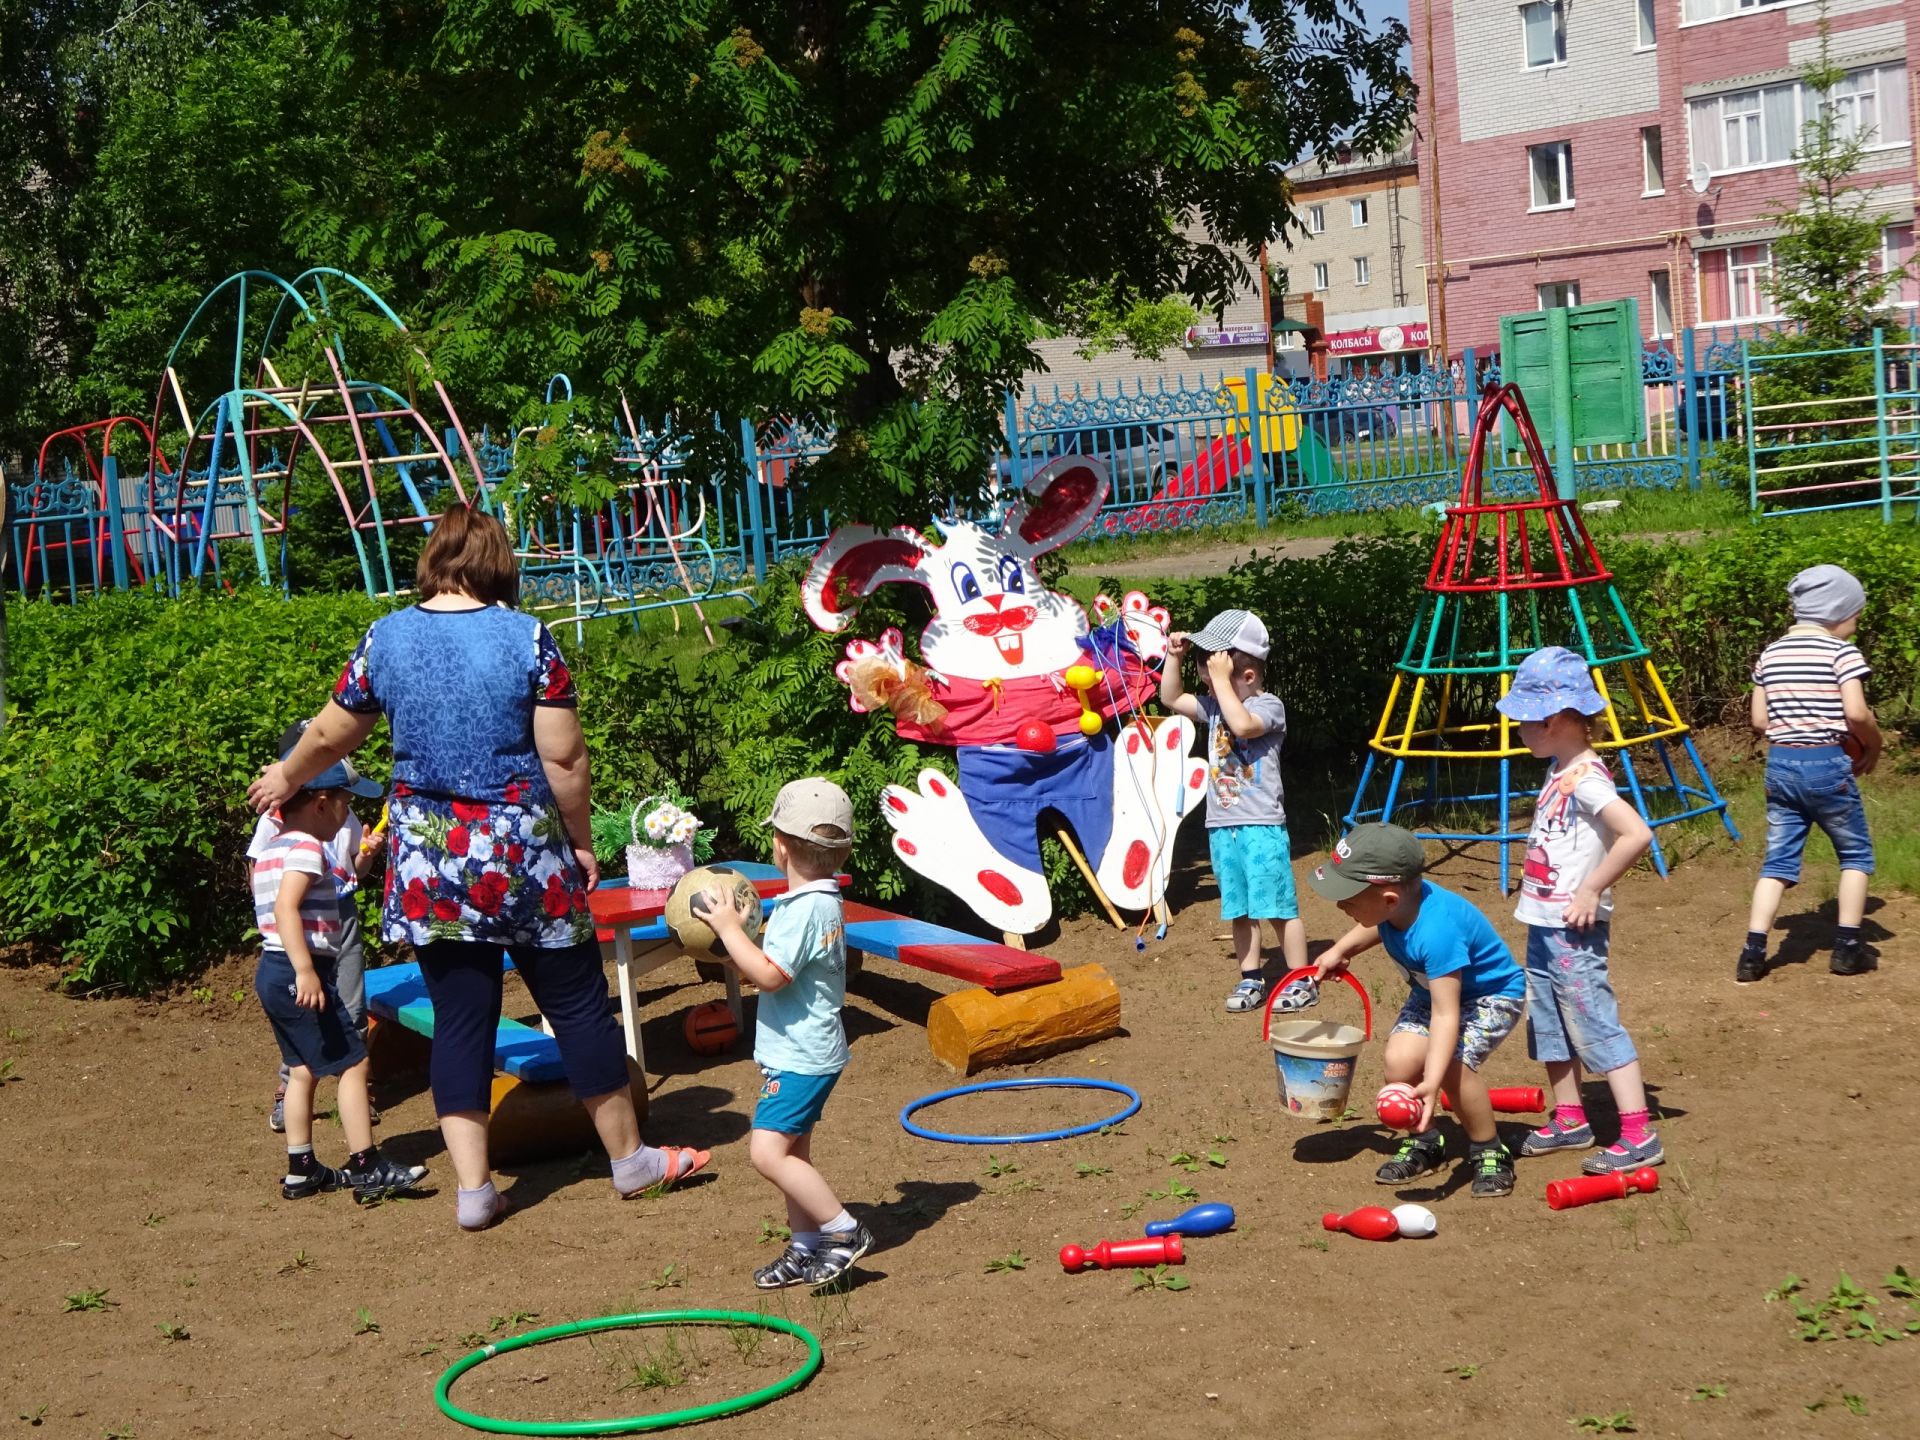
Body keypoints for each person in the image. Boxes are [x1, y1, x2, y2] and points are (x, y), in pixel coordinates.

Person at [247, 505, 709, 1232]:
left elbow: (334, 730)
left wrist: (286, 773)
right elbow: (563, 757)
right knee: (579, 1007)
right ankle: (631, 1162)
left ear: (434, 559)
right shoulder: (528, 639)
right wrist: (581, 841)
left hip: (431, 863)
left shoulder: (386, 637)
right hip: (524, 856)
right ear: (497, 563)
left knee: (462, 1022)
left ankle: (474, 1191)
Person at [701, 778, 872, 1290]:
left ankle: (843, 1231)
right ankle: (805, 1246)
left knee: (767, 1152)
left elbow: (772, 975)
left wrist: (730, 930)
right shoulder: (817, 899)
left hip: (802, 1056)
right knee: (793, 1153)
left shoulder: (806, 908)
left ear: (780, 844)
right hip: (804, 1050)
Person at [1495, 648, 1661, 1174]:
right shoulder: (1560, 768)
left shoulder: (1587, 778)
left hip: (1574, 930)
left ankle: (1638, 1132)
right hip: (1545, 925)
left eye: (1523, 720)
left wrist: (1591, 889)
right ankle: (1572, 1117)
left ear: (1554, 720)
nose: (1517, 728)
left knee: (1592, 1022)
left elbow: (1636, 834)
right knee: (1550, 1024)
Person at [1309, 823, 1525, 1199]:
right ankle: (1426, 1139)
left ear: (1390, 898)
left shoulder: (1437, 932)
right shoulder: (1397, 907)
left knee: (1454, 1070)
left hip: (1489, 996)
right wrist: (1342, 950)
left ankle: (1489, 1148)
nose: (1341, 904)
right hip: (1434, 996)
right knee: (1399, 1063)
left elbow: (1447, 1015)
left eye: (1348, 896)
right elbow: (1376, 926)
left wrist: (1433, 1081)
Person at [252, 763, 426, 1202]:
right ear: (321, 804)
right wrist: (307, 970)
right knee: (352, 1063)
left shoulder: (273, 846)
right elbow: (288, 909)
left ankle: (302, 1168)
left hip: (273, 972)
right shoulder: (308, 847)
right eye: (345, 805)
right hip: (298, 969)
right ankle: (367, 1165)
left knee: (302, 1068)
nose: (348, 814)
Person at [1739, 565, 1882, 983]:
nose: (1854, 628)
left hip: (1781, 764)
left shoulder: (1771, 653)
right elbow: (1856, 712)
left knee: (1777, 863)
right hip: (1827, 763)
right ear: (1838, 613)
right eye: (1855, 618)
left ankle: (1752, 951)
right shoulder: (1842, 653)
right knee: (1855, 856)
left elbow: (1760, 720)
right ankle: (1848, 949)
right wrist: (1873, 742)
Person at [1159, 608, 1306, 1013]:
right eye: (1206, 674)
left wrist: (1219, 682)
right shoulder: (1215, 705)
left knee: (1277, 907)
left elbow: (1242, 726)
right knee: (1239, 909)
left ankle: (1300, 979)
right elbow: (1170, 697)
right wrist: (1176, 657)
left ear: (1246, 676)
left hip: (1261, 825)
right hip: (1223, 826)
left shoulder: (1269, 706)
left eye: (1216, 672)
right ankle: (1251, 979)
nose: (1207, 681)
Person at [251, 720, 382, 1134]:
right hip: (301, 941)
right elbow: (280, 898)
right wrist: (301, 964)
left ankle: (304, 1159)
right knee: (316, 1049)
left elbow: (350, 871)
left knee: (351, 1012)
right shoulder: (294, 834)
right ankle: (363, 1158)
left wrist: (365, 856)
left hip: (334, 921)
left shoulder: (333, 817)